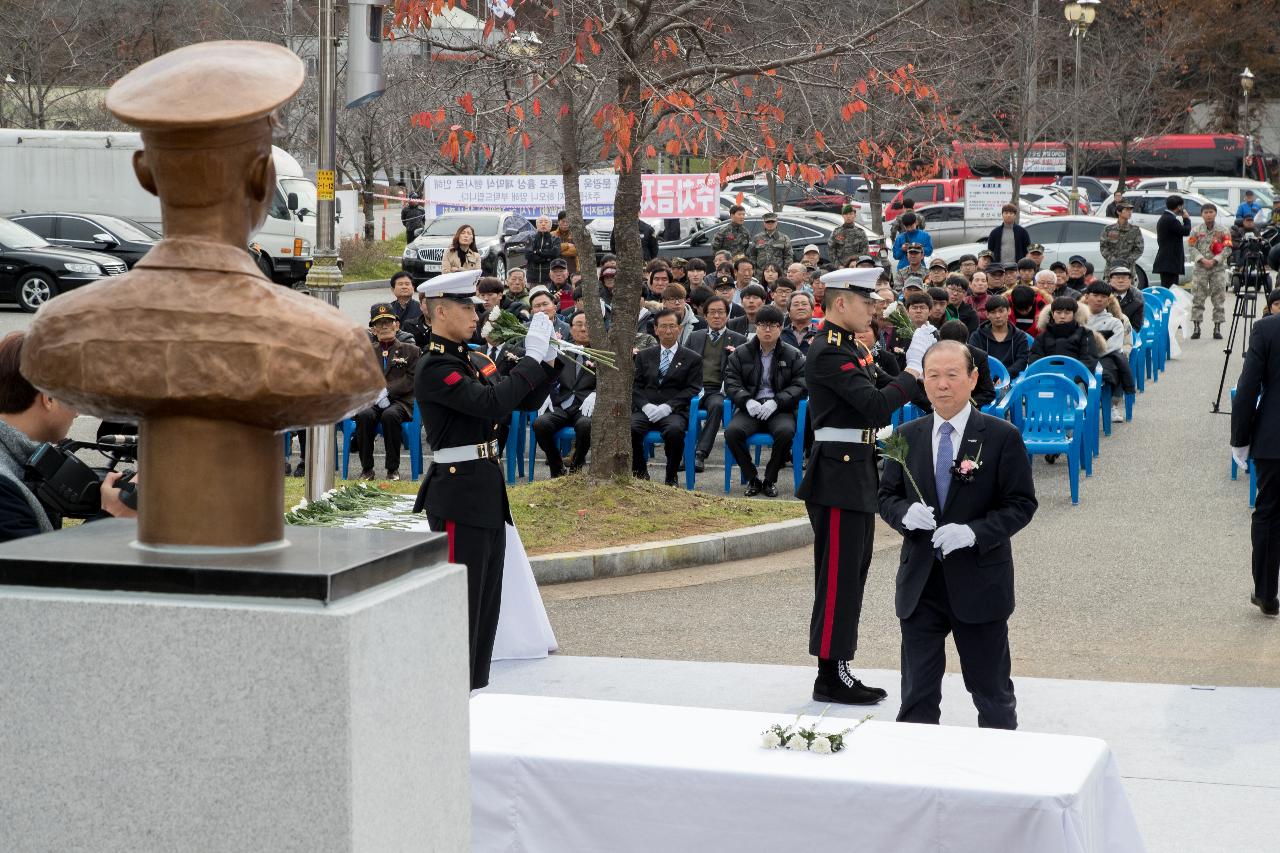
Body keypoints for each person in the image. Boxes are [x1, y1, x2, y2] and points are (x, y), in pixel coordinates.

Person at [878, 339, 1038, 729]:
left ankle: (998, 770)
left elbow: (1021, 504)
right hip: (921, 582)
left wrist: (973, 532)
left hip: (979, 581)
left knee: (991, 692)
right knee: (917, 695)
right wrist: (903, 514)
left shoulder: (1001, 436)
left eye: (952, 375)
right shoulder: (907, 434)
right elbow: (886, 495)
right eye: (933, 376)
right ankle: (917, 775)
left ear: (973, 379)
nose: (942, 384)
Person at [413, 269, 560, 691]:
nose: (475, 314)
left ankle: (473, 689)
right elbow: (491, 401)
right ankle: (448, 695)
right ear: (441, 311)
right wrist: (529, 360)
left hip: (483, 491)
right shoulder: (436, 367)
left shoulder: (468, 359)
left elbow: (517, 401)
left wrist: (546, 361)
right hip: (458, 496)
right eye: (466, 307)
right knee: (462, 607)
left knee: (484, 607)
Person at [796, 267, 931, 706]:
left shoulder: (851, 347)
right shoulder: (828, 352)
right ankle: (830, 674)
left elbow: (876, 391)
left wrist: (910, 365)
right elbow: (875, 407)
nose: (872, 308)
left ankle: (838, 667)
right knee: (838, 578)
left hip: (854, 473)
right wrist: (912, 369)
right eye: (864, 301)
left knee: (852, 574)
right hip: (837, 477)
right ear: (841, 304)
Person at [0, 332, 136, 541]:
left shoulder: (20, 458)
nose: (77, 411)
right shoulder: (4, 490)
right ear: (49, 398)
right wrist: (112, 515)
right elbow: (38, 571)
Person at [723, 305, 806, 497]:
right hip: (750, 407)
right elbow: (731, 383)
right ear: (756, 326)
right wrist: (747, 401)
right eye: (762, 325)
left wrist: (777, 402)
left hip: (779, 409)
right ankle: (752, 477)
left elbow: (800, 385)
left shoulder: (793, 354)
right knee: (732, 433)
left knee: (785, 432)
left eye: (773, 325)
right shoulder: (740, 353)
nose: (767, 330)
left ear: (781, 327)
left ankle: (770, 479)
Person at [1231, 299, 1280, 617]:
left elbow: (1248, 386)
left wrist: (1240, 438)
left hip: (1275, 437)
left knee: (1270, 514)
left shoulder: (1267, 327)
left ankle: (1265, 591)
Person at [631, 309, 703, 485]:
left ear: (679, 328)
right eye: (663, 326)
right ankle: (639, 472)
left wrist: (669, 406)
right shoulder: (643, 355)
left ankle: (671, 475)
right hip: (646, 409)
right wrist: (645, 406)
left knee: (674, 431)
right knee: (630, 428)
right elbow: (635, 386)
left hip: (674, 411)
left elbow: (693, 388)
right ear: (655, 329)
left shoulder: (692, 358)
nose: (668, 330)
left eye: (672, 326)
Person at [354, 303, 421, 480]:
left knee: (390, 415)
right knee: (364, 415)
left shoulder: (412, 351)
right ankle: (367, 469)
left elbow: (412, 379)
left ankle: (393, 469)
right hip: (373, 400)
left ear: (396, 325)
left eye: (388, 322)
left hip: (401, 401)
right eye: (379, 323)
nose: (384, 326)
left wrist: (387, 391)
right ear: (373, 330)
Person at [686, 296, 747, 472]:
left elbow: (744, 372)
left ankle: (700, 454)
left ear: (727, 315)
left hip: (718, 390)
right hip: (695, 388)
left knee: (718, 406)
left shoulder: (738, 340)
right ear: (705, 316)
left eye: (721, 312)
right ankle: (683, 455)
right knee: (681, 406)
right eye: (712, 312)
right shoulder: (695, 337)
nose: (716, 316)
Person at [532, 311, 596, 477]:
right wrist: (545, 393)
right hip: (563, 404)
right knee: (540, 424)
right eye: (578, 325)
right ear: (571, 329)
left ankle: (576, 466)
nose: (583, 329)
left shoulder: (602, 353)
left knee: (585, 425)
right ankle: (556, 466)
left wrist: (596, 393)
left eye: (587, 325)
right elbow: (548, 376)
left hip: (586, 407)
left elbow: (611, 382)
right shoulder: (561, 351)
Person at [1080, 282, 1134, 422]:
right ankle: (1078, 405)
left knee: (1116, 363)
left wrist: (1089, 354)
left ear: (1108, 300)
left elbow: (1112, 347)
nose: (1099, 299)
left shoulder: (1115, 322)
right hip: (1081, 358)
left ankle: (1111, 405)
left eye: (1103, 296)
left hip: (1104, 358)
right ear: (1086, 297)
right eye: (1095, 295)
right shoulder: (1078, 318)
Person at [1188, 202, 1233, 340]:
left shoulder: (1223, 230)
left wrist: (1215, 260)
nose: (1208, 215)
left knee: (1218, 298)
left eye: (1211, 212)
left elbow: (1228, 248)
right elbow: (1191, 247)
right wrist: (1202, 259)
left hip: (1217, 268)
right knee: (1198, 297)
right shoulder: (1196, 231)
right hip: (1200, 268)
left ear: (1215, 213)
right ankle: (1196, 327)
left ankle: (1217, 327)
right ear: (1202, 214)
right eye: (1206, 212)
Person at [1030, 295, 1101, 373]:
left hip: (1076, 378)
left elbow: (1089, 360)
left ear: (1074, 315)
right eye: (1058, 312)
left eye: (1067, 313)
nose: (1062, 316)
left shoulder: (1085, 334)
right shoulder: (1042, 336)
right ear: (1053, 315)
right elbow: (1035, 360)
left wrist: (1073, 376)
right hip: (1047, 378)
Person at [968, 294, 1030, 378]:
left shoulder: (1020, 336)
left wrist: (1004, 376)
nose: (997, 316)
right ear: (987, 314)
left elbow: (1022, 361)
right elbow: (973, 359)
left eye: (1001, 311)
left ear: (1009, 311)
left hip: (1012, 379)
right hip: (984, 379)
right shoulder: (977, 335)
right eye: (993, 312)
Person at [1153, 194, 1193, 289]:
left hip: (1168, 262)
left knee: (1171, 288)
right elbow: (1185, 231)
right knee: (1170, 289)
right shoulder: (1171, 220)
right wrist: (1187, 219)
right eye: (1182, 206)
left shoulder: (1166, 218)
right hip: (1169, 262)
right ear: (1179, 206)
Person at [1098, 201, 1144, 275]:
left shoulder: (1135, 230)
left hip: (1128, 269)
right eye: (1126, 210)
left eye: (1130, 210)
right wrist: (1114, 261)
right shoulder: (1108, 229)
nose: (1129, 212)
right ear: (1119, 212)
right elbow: (1103, 247)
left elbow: (1139, 250)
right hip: (1111, 268)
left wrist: (1126, 261)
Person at [388, 270, 427, 346]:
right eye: (400, 284)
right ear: (393, 289)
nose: (404, 287)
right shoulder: (388, 309)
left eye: (407, 284)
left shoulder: (422, 308)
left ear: (413, 288)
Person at [1108, 265, 1145, 333]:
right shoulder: (1103, 295)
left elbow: (1137, 327)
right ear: (1110, 280)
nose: (1120, 281)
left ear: (1130, 280)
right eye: (1117, 278)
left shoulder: (1137, 296)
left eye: (1124, 278)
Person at [527, 215, 561, 285]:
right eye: (540, 222)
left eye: (546, 222)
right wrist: (546, 258)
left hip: (550, 278)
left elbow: (554, 253)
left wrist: (537, 251)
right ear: (536, 225)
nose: (543, 224)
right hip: (533, 277)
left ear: (550, 226)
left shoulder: (555, 239)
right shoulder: (531, 238)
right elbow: (528, 255)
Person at [554, 211, 578, 275]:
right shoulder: (552, 235)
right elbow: (552, 250)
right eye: (563, 221)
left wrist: (559, 251)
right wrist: (567, 245)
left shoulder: (575, 235)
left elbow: (576, 251)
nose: (565, 224)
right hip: (557, 271)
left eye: (567, 221)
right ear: (558, 222)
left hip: (573, 270)